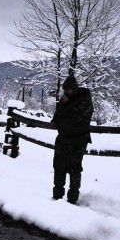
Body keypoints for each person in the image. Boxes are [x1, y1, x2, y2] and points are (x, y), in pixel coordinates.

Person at [51, 75, 94, 204]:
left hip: (78, 140)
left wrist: (63, 108)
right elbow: (58, 117)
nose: (66, 93)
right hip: (63, 138)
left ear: (74, 89)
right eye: (65, 90)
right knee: (59, 166)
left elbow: (75, 118)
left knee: (74, 168)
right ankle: (57, 196)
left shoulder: (84, 100)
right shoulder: (65, 100)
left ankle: (72, 199)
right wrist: (58, 115)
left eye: (68, 90)